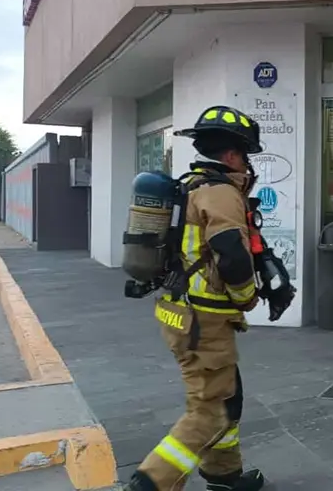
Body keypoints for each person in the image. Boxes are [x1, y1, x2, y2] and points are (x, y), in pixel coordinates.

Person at [124, 106, 281, 491]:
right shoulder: (221, 191)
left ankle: (223, 473)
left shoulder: (191, 185)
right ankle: (148, 483)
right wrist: (247, 297)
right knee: (211, 410)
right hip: (204, 321)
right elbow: (231, 252)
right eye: (245, 155)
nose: (246, 164)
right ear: (231, 155)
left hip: (183, 313)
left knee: (228, 396)